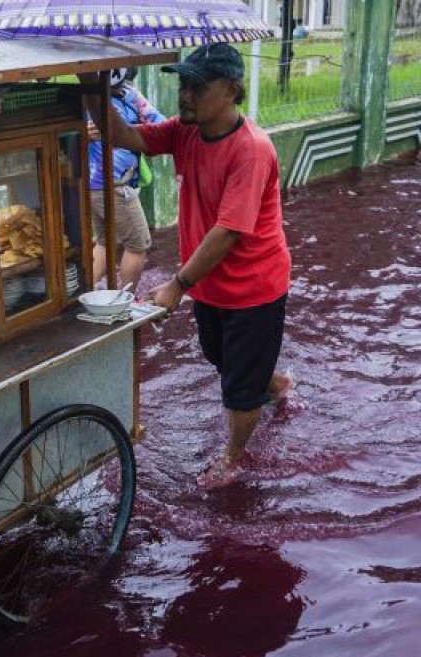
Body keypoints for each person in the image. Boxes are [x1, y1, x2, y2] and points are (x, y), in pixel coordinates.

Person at [84, 44, 293, 488]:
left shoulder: (251, 149)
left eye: (197, 85)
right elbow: (128, 138)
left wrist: (177, 284)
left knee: (237, 390)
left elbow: (228, 231)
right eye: (183, 84)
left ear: (232, 90)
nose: (186, 94)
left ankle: (233, 458)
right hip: (211, 284)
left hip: (255, 286)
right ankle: (273, 382)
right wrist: (90, 86)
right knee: (221, 357)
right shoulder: (186, 132)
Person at [86, 68, 165, 289]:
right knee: (138, 244)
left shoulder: (126, 95)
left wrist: (133, 128)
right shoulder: (94, 100)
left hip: (95, 186)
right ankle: (126, 302)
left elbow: (160, 123)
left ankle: (86, 293)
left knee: (106, 241)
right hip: (114, 186)